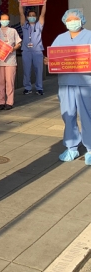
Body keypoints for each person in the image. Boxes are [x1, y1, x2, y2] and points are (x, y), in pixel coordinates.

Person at [44, 9, 91, 165]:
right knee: (68, 115)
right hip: (65, 83)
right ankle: (72, 147)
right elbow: (55, 57)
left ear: (81, 20)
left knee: (87, 116)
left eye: (75, 19)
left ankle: (90, 149)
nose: (72, 22)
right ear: (64, 22)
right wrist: (49, 61)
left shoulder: (89, 36)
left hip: (85, 83)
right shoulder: (60, 38)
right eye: (69, 20)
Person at [0, 13, 22, 110]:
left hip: (10, 61)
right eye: (3, 19)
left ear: (9, 21)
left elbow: (19, 43)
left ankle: (9, 102)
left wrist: (13, 49)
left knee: (10, 82)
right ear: (0, 20)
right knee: (0, 82)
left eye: (7, 19)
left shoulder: (13, 31)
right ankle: (1, 102)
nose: (5, 21)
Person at [19, 0, 47, 95]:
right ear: (27, 17)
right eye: (30, 15)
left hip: (37, 51)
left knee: (39, 71)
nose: (31, 16)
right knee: (26, 71)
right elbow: (21, 13)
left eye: (33, 15)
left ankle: (39, 88)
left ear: (35, 17)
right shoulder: (24, 25)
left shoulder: (39, 25)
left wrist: (44, 3)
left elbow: (43, 14)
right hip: (26, 51)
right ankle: (27, 87)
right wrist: (20, 2)